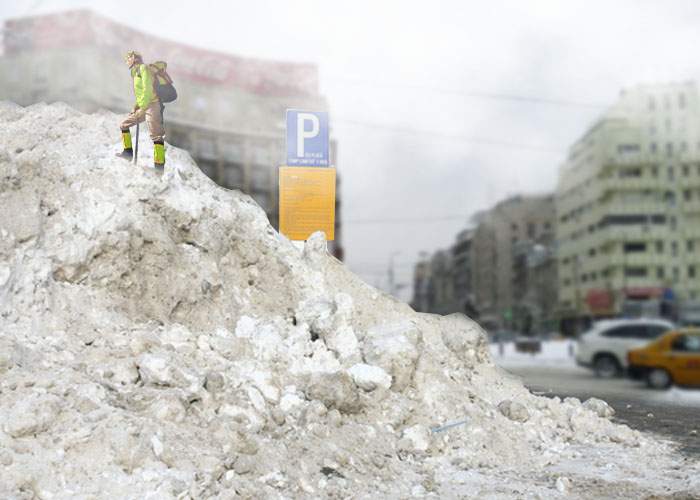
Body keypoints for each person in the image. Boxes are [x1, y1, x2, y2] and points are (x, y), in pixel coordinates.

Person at [116, 50, 165, 170]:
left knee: (156, 136)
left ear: (133, 58)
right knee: (124, 125)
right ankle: (128, 153)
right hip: (144, 105)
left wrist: (142, 108)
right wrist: (136, 105)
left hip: (152, 105)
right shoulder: (135, 72)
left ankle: (159, 167)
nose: (126, 61)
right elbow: (141, 93)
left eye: (128, 58)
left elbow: (148, 89)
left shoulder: (144, 68)